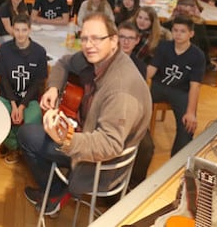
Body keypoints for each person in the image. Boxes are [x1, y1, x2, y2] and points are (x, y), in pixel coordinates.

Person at [18, 13, 151, 215]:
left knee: (25, 135)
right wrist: (53, 88)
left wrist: (66, 139)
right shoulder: (99, 58)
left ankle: (56, 193)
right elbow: (63, 63)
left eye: (97, 38)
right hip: (87, 130)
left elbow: (109, 145)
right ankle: (59, 188)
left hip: (100, 164)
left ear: (114, 40)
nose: (89, 45)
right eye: (85, 38)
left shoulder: (121, 89)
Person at [147, 16, 205, 156]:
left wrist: (191, 112)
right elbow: (151, 71)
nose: (178, 34)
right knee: (136, 104)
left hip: (180, 91)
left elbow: (195, 86)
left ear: (191, 34)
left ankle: (177, 159)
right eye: (175, 30)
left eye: (183, 31)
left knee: (187, 124)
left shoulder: (197, 55)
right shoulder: (164, 46)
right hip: (158, 86)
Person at [0, 14, 47, 164]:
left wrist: (22, 106)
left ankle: (22, 148)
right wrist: (13, 105)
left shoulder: (39, 52)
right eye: (17, 30)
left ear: (30, 30)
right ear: (12, 29)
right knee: (0, 114)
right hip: (8, 96)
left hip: (28, 98)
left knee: (33, 119)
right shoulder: (5, 49)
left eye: (24, 30)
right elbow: (4, 80)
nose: (20, 34)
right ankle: (12, 145)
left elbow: (37, 83)